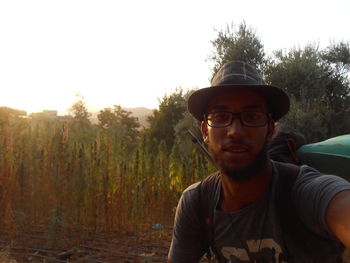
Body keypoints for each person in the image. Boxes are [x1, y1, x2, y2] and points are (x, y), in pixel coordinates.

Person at [168, 61, 350, 262]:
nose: (235, 131)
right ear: (205, 131)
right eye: (220, 116)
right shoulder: (197, 202)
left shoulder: (308, 192)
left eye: (252, 116)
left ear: (271, 129)